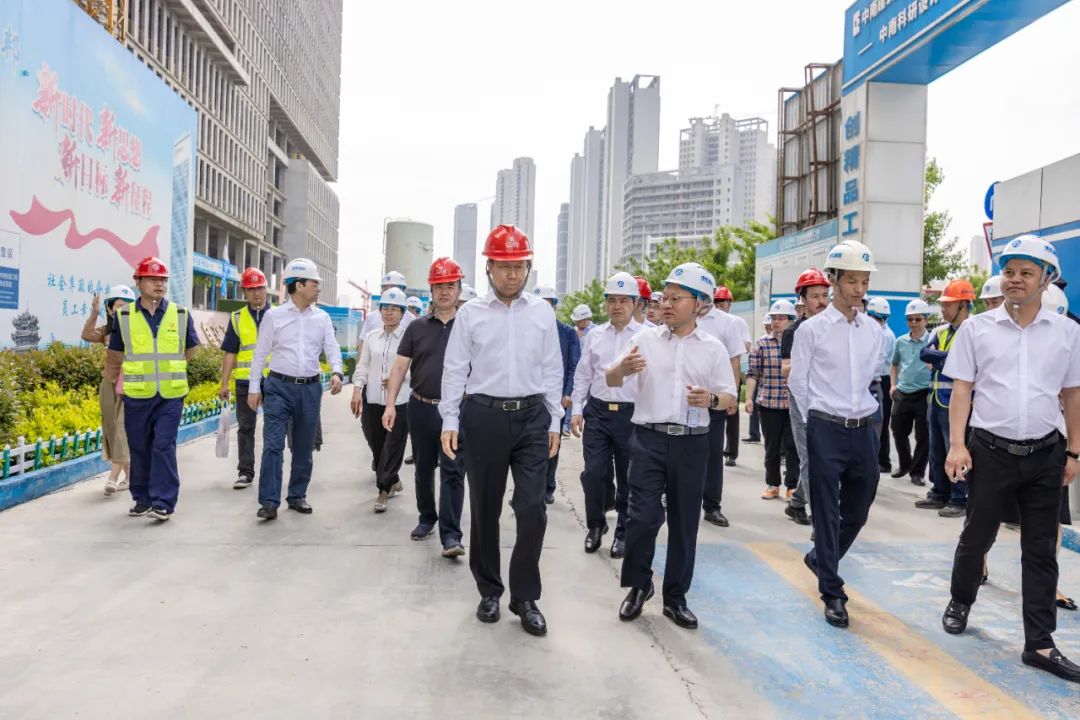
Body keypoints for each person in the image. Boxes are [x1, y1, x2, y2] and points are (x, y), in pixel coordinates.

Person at [940, 235, 1080, 684]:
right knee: (976, 537)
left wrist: (1074, 451)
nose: (1015, 279)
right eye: (1009, 271)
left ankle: (1039, 643)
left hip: (1046, 453)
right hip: (989, 452)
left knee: (1041, 550)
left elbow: (1072, 394)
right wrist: (957, 445)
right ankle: (961, 600)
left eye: (1026, 273)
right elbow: (962, 389)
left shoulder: (1067, 333)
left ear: (1046, 280)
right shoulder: (977, 329)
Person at [440, 225, 563, 637]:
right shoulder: (470, 314)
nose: (512, 275)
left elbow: (552, 368)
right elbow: (455, 369)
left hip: (532, 418)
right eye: (504, 266)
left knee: (532, 508)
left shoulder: (541, 312)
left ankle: (524, 596)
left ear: (528, 268)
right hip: (484, 416)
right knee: (485, 507)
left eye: (519, 266)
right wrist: (450, 420)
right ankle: (489, 590)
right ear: (489, 267)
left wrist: (555, 420)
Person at [610, 262, 737, 629]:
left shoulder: (713, 349)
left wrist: (710, 400)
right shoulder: (645, 340)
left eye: (676, 298)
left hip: (692, 444)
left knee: (684, 522)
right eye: (664, 297)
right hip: (648, 440)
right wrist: (623, 370)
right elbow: (611, 378)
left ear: (700, 304)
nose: (665, 304)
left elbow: (729, 397)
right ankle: (639, 585)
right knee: (642, 517)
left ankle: (675, 597)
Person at [788, 240, 883, 628]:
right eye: (852, 281)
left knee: (858, 508)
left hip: (863, 429)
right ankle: (832, 591)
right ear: (834, 280)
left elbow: (871, 378)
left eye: (865, 282)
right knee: (826, 512)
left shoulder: (873, 330)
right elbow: (798, 382)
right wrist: (814, 422)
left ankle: (820, 559)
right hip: (825, 426)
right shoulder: (811, 330)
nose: (859, 289)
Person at [382, 257, 468, 556]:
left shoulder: (469, 327)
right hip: (421, 408)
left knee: (453, 471)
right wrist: (390, 405)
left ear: (459, 290)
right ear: (431, 290)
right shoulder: (416, 328)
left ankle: (451, 536)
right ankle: (426, 517)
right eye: (439, 286)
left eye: (450, 286)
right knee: (423, 468)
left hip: (457, 411)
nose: (444, 292)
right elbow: (399, 368)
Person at [248, 258, 344, 520]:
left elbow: (332, 347)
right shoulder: (274, 316)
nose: (318, 288)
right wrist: (254, 388)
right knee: (273, 444)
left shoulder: (322, 318)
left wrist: (337, 371)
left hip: (309, 390)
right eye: (314, 283)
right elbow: (260, 354)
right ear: (299, 285)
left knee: (303, 446)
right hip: (278, 387)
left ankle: (297, 495)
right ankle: (269, 502)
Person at [105, 257, 200, 521]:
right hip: (137, 394)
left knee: (163, 445)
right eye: (153, 279)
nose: (159, 284)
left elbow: (191, 347)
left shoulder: (180, 314)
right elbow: (115, 353)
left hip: (171, 394)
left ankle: (163, 502)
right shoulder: (124, 316)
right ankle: (142, 499)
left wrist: (172, 367)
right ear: (138, 282)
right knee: (139, 447)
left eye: (163, 280)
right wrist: (115, 382)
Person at [570, 272, 641, 557]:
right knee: (594, 473)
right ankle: (595, 526)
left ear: (635, 303)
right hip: (598, 413)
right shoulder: (595, 335)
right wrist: (576, 410)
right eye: (612, 300)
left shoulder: (646, 336)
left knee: (627, 477)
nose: (617, 306)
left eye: (623, 300)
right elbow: (582, 375)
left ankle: (623, 532)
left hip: (631, 415)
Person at [917, 279, 975, 517]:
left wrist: (940, 358)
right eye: (942, 304)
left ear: (963, 304)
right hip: (936, 399)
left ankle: (959, 498)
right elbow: (924, 354)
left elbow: (966, 363)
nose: (942, 309)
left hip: (958, 403)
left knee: (957, 449)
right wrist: (948, 358)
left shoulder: (973, 330)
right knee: (937, 450)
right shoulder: (940, 331)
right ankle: (939, 493)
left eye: (948, 305)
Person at [352, 288, 411, 514]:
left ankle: (383, 491)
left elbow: (416, 367)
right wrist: (357, 388)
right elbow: (363, 366)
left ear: (402, 312)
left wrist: (400, 376)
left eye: (394, 309)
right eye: (385, 308)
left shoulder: (409, 338)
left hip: (399, 402)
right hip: (374, 400)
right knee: (377, 446)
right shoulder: (371, 337)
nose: (389, 313)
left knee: (393, 446)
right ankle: (393, 479)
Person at [781, 267, 832, 527]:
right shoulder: (794, 331)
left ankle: (797, 502)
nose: (821, 301)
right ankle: (819, 517)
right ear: (802, 299)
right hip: (802, 402)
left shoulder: (835, 328)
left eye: (824, 295)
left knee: (824, 457)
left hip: (829, 399)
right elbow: (786, 369)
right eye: (814, 296)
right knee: (810, 457)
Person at [694, 275, 746, 528]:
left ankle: (712, 505)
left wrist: (732, 394)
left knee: (714, 454)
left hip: (715, 400)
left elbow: (735, 360)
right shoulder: (683, 317)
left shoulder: (728, 323)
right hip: (687, 400)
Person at [218, 267, 271, 490]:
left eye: (259, 288)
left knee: (274, 427)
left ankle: (271, 471)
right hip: (245, 381)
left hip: (273, 380)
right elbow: (230, 352)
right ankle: (245, 472)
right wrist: (224, 382)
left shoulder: (278, 315)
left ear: (266, 289)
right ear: (245, 293)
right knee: (246, 427)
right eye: (251, 289)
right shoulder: (237, 318)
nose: (256, 293)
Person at [82, 285, 135, 496]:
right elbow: (86, 335)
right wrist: (94, 313)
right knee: (111, 428)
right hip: (108, 383)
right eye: (119, 306)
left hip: (130, 383)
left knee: (122, 428)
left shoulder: (137, 330)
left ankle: (112, 477)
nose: (123, 310)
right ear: (111, 309)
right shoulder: (106, 332)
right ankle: (129, 475)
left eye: (128, 306)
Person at [746, 300, 799, 500]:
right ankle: (772, 484)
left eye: (781, 318)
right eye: (774, 318)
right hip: (769, 404)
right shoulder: (761, 344)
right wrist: (749, 398)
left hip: (794, 404)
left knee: (793, 447)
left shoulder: (799, 342)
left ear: (791, 320)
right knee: (771, 447)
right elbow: (753, 373)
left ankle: (792, 486)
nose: (776, 322)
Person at [535, 286, 581, 496]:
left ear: (554, 307)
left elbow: (574, 365)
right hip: (532, 398)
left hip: (557, 398)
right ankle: (531, 489)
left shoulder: (568, 333)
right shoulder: (527, 331)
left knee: (553, 441)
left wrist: (568, 392)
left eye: (547, 305)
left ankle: (548, 487)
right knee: (530, 445)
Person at [888, 299, 932, 487]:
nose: (913, 323)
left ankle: (917, 472)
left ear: (926, 320)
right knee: (897, 430)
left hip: (924, 394)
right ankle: (905, 464)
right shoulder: (901, 341)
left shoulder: (932, 340)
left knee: (923, 436)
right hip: (903, 393)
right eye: (910, 319)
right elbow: (894, 364)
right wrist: (893, 385)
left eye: (918, 319)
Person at [712, 286, 751, 468]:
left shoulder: (736, 322)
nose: (721, 306)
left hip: (731, 370)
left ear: (730, 304)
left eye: (724, 303)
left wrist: (731, 343)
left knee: (731, 415)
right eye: (718, 303)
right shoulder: (710, 321)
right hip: (714, 374)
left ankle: (731, 452)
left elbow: (746, 346)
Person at [865, 297, 897, 473]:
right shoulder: (874, 331)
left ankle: (883, 461)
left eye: (878, 318)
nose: (875, 320)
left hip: (881, 380)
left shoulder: (885, 335)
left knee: (880, 423)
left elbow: (877, 362)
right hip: (876, 379)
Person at [359, 270, 414, 353]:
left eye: (393, 287)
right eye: (385, 288)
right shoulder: (371, 317)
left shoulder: (411, 319)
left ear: (403, 290)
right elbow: (363, 343)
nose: (389, 291)